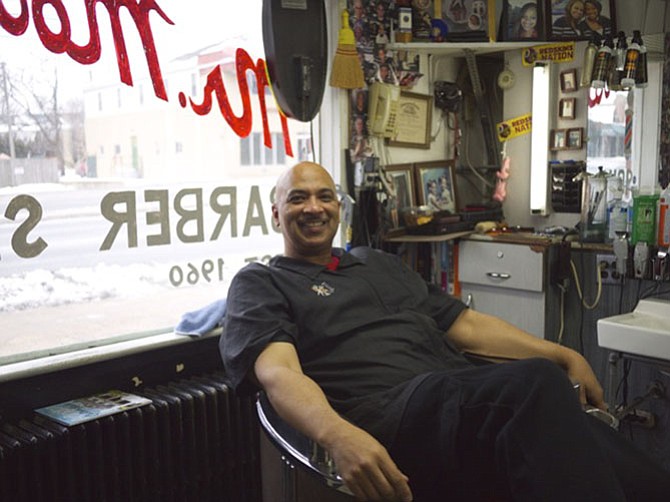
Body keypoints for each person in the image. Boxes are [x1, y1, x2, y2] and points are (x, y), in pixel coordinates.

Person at [221, 161, 670, 501]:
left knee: (636, 474)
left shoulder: (376, 263)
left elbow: (468, 326)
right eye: (298, 198)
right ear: (276, 213)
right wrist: (339, 435)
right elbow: (280, 374)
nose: (313, 207)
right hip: (386, 414)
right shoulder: (261, 283)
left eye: (325, 196)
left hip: (453, 397)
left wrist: (564, 353)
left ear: (339, 207)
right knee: (533, 383)